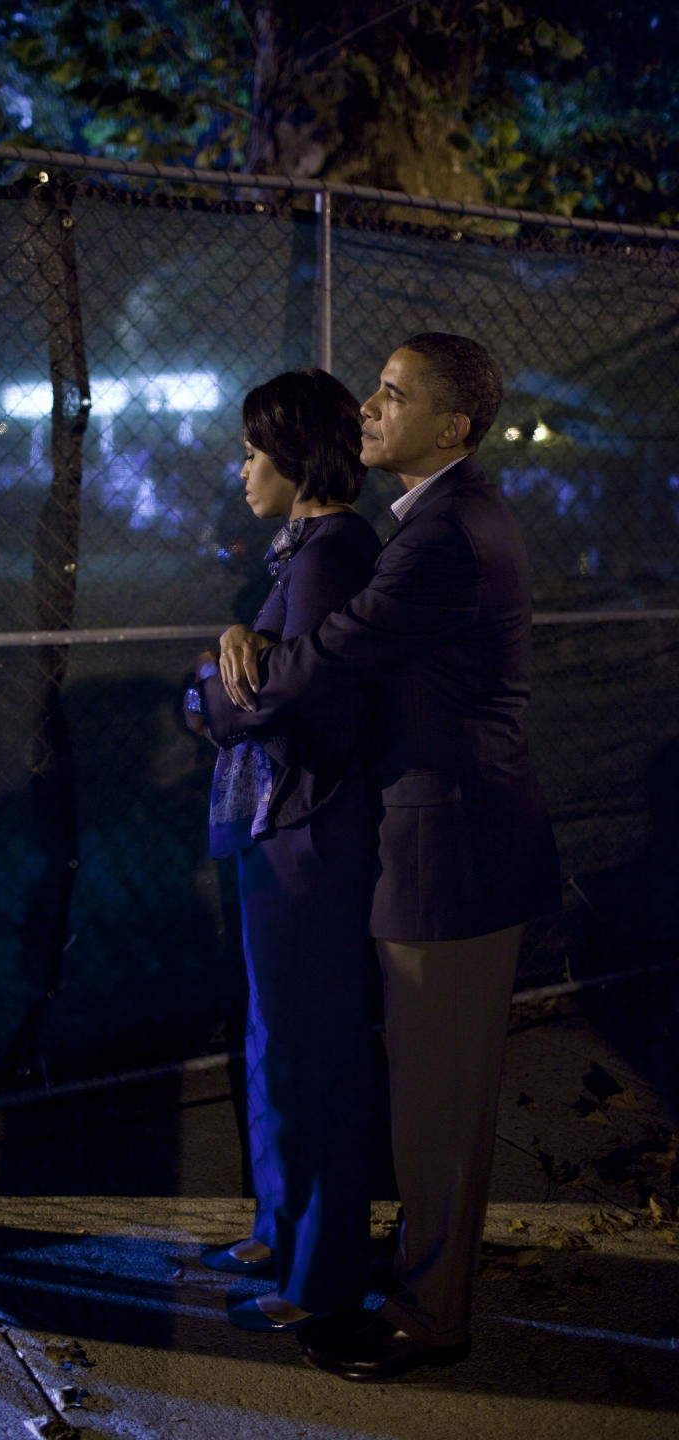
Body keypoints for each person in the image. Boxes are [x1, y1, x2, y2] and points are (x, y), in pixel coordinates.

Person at [197, 334, 561, 1374]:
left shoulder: (443, 534)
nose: (369, 406)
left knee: (438, 1113)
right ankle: (416, 1291)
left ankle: (430, 1316)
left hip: (454, 850)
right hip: (439, 842)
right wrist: (246, 653)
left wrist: (230, 665)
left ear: (452, 426)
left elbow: (321, 661)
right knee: (424, 1099)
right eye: (375, 388)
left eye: (395, 395)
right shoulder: (428, 523)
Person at [184, 368, 382, 1332]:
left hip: (308, 831)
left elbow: (262, 695)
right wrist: (226, 658)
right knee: (277, 1038)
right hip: (287, 828)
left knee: (310, 1048)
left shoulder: (331, 552)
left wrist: (210, 689)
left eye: (255, 450)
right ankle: (279, 1225)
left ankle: (318, 1272)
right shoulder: (305, 550)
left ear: (296, 456)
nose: (244, 467)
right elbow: (247, 676)